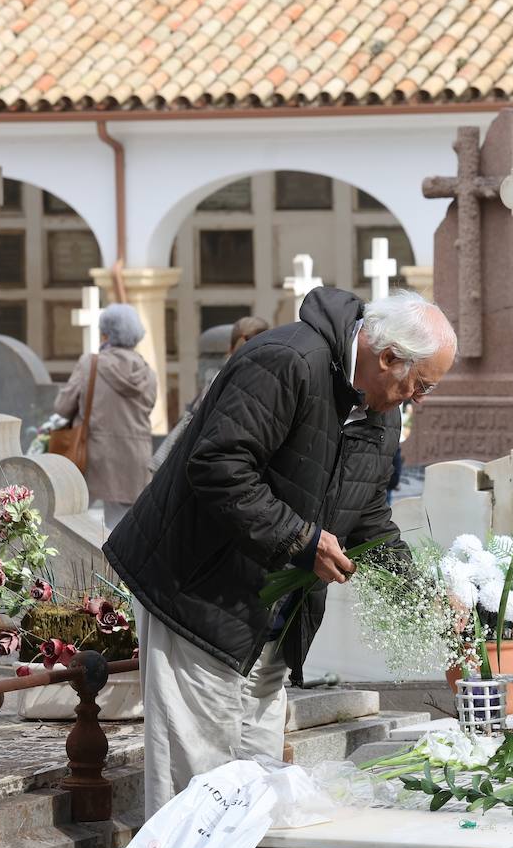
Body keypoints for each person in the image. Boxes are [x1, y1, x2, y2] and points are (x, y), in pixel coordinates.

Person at [104, 287, 456, 817]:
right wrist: (301, 541)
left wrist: (419, 592)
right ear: (387, 358)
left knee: (256, 779)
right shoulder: (285, 360)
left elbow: (366, 517)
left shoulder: (381, 409)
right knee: (198, 783)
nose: (419, 399)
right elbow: (218, 466)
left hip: (271, 616)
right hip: (201, 594)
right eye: (420, 384)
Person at [55, 303, 157, 533]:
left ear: (105, 334)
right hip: (134, 460)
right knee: (123, 533)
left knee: (73, 523)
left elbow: (62, 407)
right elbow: (149, 406)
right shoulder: (148, 373)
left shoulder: (89, 364)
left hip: (92, 457)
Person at [148, 315, 270, 475]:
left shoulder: (218, 378)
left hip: (208, 467)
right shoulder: (269, 382)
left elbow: (190, 422)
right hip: (248, 470)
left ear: (230, 348)